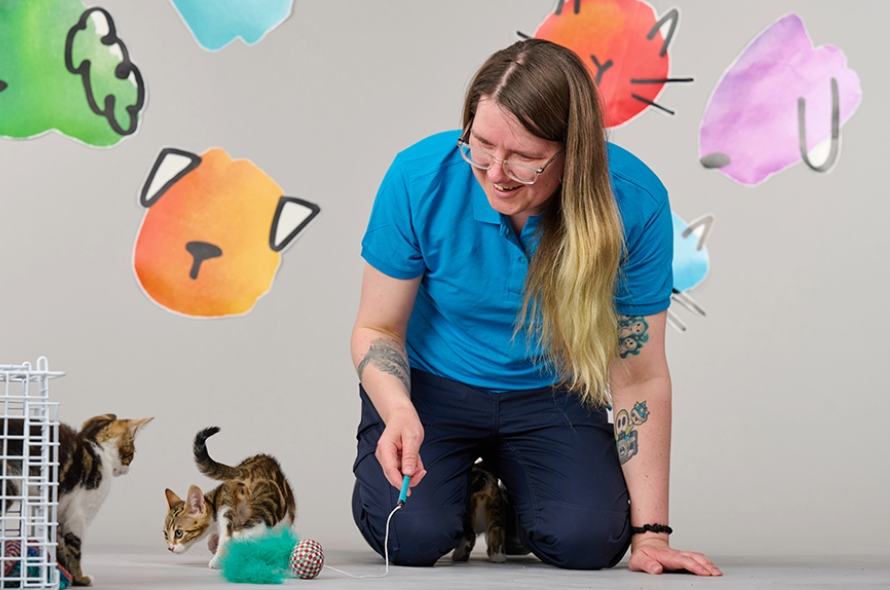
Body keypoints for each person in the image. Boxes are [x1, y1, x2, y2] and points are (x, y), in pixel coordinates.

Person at [350, 38, 721, 576]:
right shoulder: (416, 177)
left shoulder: (634, 202)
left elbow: (638, 376)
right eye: (480, 146)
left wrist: (651, 534)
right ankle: (469, 484)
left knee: (590, 542)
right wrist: (397, 409)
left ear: (574, 154)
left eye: (524, 158)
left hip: (552, 391)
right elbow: (377, 327)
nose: (495, 172)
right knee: (410, 536)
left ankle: (519, 489)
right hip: (432, 386)